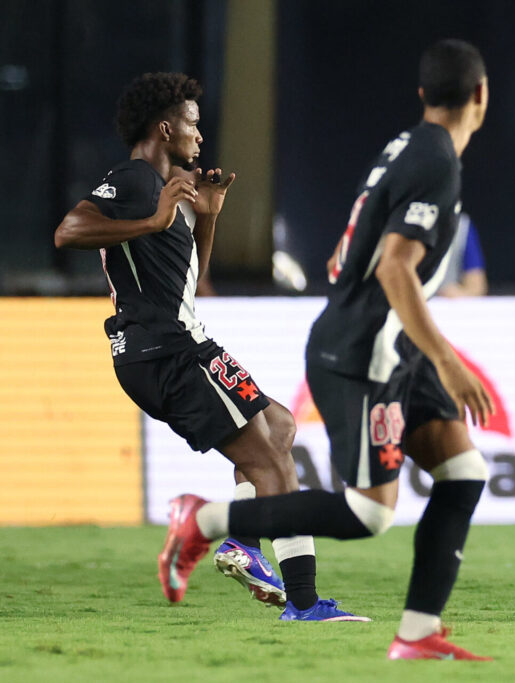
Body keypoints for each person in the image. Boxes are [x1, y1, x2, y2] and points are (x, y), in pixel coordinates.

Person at [156, 40, 495, 660]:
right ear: (481, 95)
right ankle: (202, 522)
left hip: (387, 342)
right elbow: (396, 268)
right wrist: (448, 359)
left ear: (423, 97)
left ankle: (418, 633)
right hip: (362, 351)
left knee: (464, 472)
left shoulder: (412, 146)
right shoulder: (436, 161)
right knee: (370, 514)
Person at [54, 72, 363, 622]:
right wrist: (152, 218)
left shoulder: (169, 189)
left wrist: (209, 216)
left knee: (282, 427)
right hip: (165, 352)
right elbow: (68, 231)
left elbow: (187, 280)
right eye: (194, 124)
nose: (201, 136)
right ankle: (302, 601)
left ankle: (243, 543)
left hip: (187, 342)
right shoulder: (134, 180)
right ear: (166, 127)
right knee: (272, 464)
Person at [438, 212, 488, 297]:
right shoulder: (409, 226)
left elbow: (476, 286)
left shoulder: (461, 226)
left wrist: (460, 295)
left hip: (443, 304)